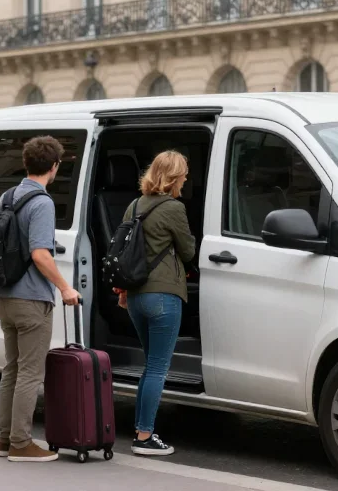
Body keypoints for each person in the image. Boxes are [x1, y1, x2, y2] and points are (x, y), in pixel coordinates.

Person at [0, 136, 81, 463]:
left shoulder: (7, 197)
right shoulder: (42, 203)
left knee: (12, 369)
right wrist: (64, 288)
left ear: (27, 162)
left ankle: (4, 439)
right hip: (32, 299)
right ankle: (21, 443)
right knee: (30, 372)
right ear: (54, 166)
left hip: (6, 297)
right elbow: (40, 254)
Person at [115, 150, 196, 456]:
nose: (186, 179)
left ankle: (141, 429)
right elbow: (187, 249)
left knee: (151, 366)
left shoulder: (134, 205)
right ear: (174, 177)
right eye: (184, 174)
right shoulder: (174, 208)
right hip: (163, 296)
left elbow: (124, 251)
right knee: (158, 368)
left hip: (135, 297)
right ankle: (145, 437)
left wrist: (122, 292)